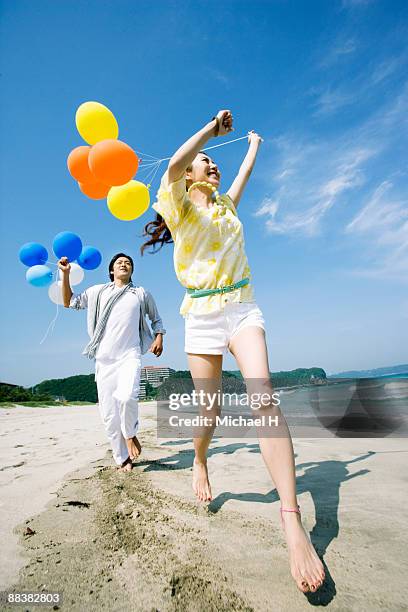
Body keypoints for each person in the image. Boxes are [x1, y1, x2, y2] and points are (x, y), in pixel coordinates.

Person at [141, 110, 325, 592]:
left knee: (263, 398)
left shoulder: (226, 207)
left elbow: (241, 175)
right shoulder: (179, 207)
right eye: (205, 163)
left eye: (212, 163)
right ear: (191, 174)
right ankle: (200, 459)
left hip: (243, 307)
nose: (210, 166)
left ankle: (291, 520)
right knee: (210, 410)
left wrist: (253, 146)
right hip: (200, 315)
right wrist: (208, 132)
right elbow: (173, 166)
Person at [59, 252, 166, 472]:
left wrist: (159, 336)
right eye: (119, 263)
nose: (124, 265)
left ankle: (130, 434)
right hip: (104, 359)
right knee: (109, 415)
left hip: (130, 355)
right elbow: (69, 301)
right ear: (111, 270)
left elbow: (156, 319)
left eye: (128, 263)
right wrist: (65, 274)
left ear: (132, 270)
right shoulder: (97, 291)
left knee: (127, 397)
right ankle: (123, 459)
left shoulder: (140, 293)